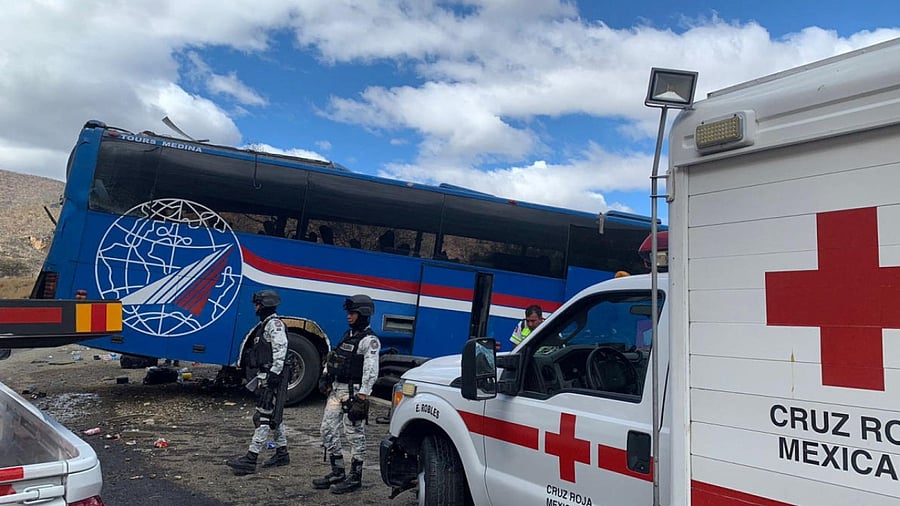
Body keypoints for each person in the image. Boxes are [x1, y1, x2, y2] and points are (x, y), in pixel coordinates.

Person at [312, 294, 380, 494]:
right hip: (336, 391)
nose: (348, 317)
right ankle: (338, 471)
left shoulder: (370, 341)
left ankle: (355, 477)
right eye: (348, 313)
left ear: (363, 314)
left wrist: (362, 396)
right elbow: (335, 358)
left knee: (355, 435)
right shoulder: (348, 335)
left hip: (354, 393)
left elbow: (371, 370)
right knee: (327, 430)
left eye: (353, 313)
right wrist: (325, 376)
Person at [225, 289, 291, 475]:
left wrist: (274, 375)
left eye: (258, 304)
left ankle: (251, 458)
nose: (255, 307)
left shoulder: (274, 325)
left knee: (262, 417)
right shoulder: (265, 325)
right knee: (274, 417)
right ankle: (282, 452)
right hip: (266, 375)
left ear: (265, 306)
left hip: (272, 376)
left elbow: (281, 348)